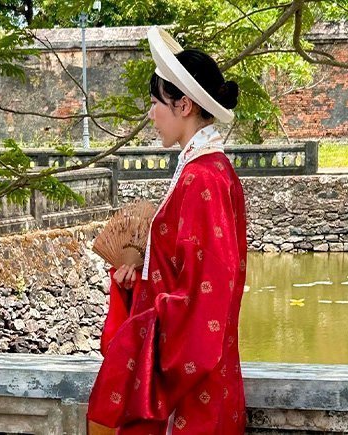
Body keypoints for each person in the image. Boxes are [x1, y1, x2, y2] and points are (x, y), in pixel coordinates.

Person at [87, 27, 247, 434]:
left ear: (184, 105)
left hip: (192, 390)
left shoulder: (203, 178)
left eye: (156, 102)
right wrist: (139, 279)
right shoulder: (207, 170)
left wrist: (145, 325)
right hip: (207, 378)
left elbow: (206, 293)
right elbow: (185, 275)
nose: (151, 114)